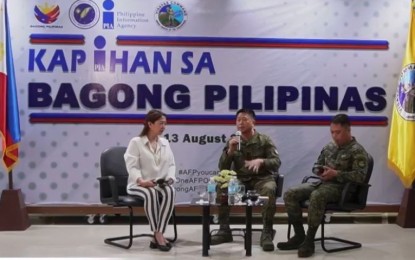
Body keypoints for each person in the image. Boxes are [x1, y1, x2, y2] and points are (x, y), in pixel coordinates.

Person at [276, 114, 369, 257]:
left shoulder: (358, 151)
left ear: (348, 130)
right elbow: (316, 165)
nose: (334, 136)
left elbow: (360, 177)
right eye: (332, 132)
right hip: (323, 183)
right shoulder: (329, 147)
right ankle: (299, 235)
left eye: (338, 132)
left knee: (317, 195)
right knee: (290, 193)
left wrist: (336, 174)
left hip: (342, 189)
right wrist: (319, 171)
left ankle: (309, 240)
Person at [211, 108, 282, 252]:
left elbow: (276, 162)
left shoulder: (264, 140)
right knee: (223, 187)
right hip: (240, 180)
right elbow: (222, 168)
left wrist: (261, 161)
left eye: (244, 119)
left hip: (262, 179)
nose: (240, 123)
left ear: (253, 122)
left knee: (269, 189)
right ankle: (224, 231)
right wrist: (230, 151)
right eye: (238, 120)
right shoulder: (233, 141)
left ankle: (266, 232)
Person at [124, 109, 176, 252]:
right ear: (150, 124)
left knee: (170, 191)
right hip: (137, 184)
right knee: (151, 194)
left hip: (158, 183)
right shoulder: (136, 142)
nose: (163, 127)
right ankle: (158, 234)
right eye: (160, 123)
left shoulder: (165, 142)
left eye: (165, 124)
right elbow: (131, 166)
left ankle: (158, 234)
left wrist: (170, 179)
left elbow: (171, 164)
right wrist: (141, 181)